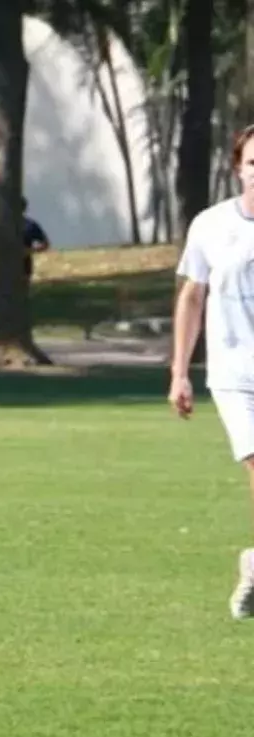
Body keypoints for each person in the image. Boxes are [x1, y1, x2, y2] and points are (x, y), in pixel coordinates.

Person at [171, 123, 254, 619]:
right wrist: (179, 371)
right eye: (253, 163)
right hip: (235, 374)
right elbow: (192, 296)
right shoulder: (211, 225)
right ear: (239, 168)